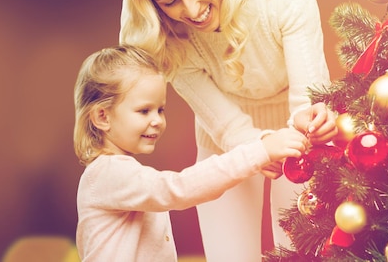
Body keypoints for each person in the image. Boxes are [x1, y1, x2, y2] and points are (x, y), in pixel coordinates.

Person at [118, 0, 338, 261]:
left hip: (295, 127)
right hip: (223, 137)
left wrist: (312, 118)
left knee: (300, 251)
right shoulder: (163, 36)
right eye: (170, 1)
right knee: (228, 254)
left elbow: (307, 99)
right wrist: (257, 145)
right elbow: (226, 124)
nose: (191, 9)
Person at [73, 45, 309, 262]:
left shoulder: (120, 173)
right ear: (102, 117)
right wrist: (261, 150)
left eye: (160, 109)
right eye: (144, 111)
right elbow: (178, 188)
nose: (157, 120)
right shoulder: (107, 174)